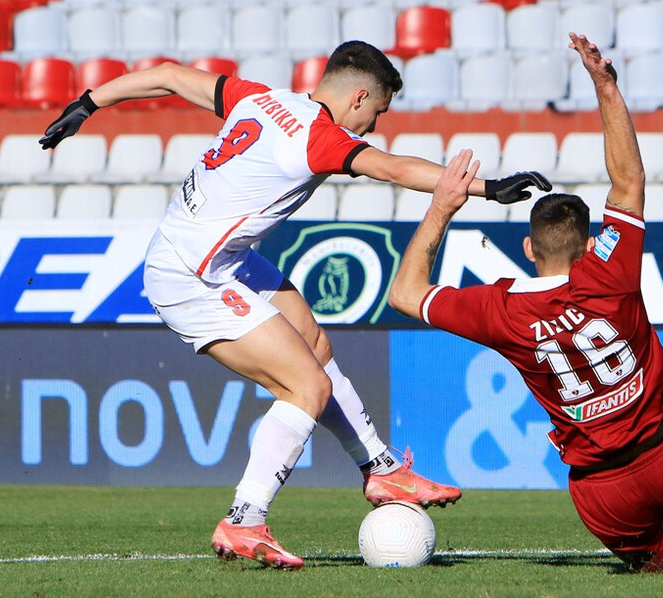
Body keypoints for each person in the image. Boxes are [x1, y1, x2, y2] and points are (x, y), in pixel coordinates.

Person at [39, 41, 550, 570]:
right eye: (377, 111)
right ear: (358, 97)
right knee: (308, 386)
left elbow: (168, 74)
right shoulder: (318, 136)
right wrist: (489, 189)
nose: (372, 125)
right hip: (191, 274)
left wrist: (88, 103)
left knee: (314, 342)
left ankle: (381, 466)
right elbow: (394, 169)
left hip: (213, 255)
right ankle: (245, 519)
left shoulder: (257, 98)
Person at [388, 34, 663, 577]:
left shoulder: (500, 310)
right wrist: (605, 83)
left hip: (605, 492)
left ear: (529, 248)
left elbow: (404, 294)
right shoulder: (611, 269)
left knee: (650, 559)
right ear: (587, 244)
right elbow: (629, 179)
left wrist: (442, 204)